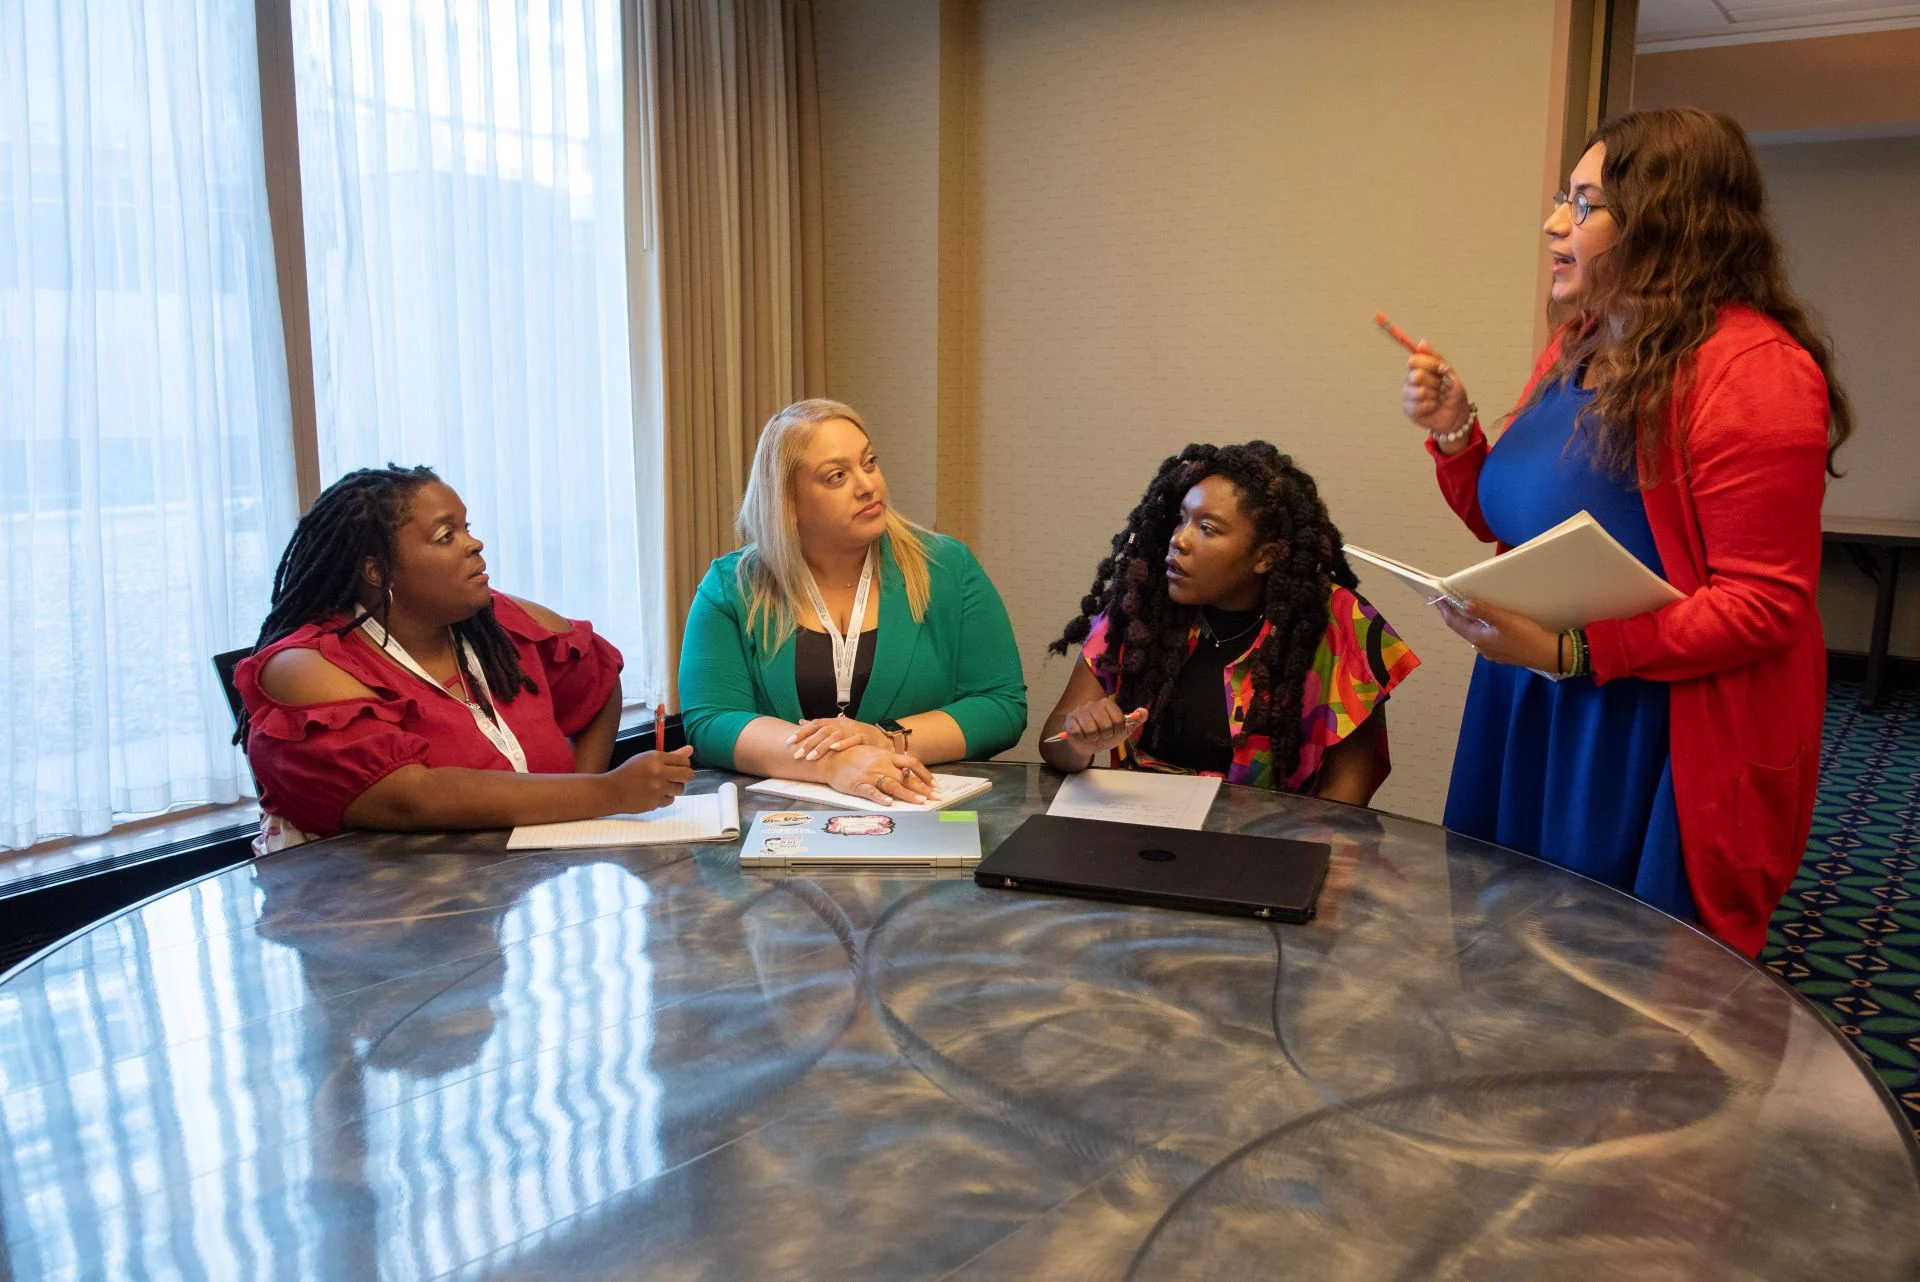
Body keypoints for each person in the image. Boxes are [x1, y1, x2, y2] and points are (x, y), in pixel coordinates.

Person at [1397, 108, 1849, 957]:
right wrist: (1459, 437)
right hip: (1531, 701)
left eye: (1584, 202)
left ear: (1666, 222)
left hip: (1650, 735)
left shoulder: (1756, 372)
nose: (1552, 221)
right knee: (1505, 967)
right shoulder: (1579, 343)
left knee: (1626, 1004)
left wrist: (1571, 653)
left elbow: (1765, 607)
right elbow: (1517, 525)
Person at [235, 465, 692, 851]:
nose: (474, 545)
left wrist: (573, 806)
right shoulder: (305, 668)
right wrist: (604, 793)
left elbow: (597, 675)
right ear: (377, 571)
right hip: (375, 925)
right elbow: (409, 795)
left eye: (467, 529)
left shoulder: (497, 626)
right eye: (445, 535)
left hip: (510, 895)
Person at [678, 399, 1027, 806]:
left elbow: (1002, 707)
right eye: (837, 476)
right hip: (783, 826)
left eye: (869, 462)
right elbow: (711, 722)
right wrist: (829, 764)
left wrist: (883, 737)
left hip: (918, 811)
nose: (867, 485)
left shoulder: (947, 567)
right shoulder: (732, 586)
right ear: (788, 503)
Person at [1039, 442, 1418, 805]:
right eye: (1181, 519)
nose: (1179, 540)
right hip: (1138, 836)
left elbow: (1347, 795)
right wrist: (1078, 740)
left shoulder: (1337, 623)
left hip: (1274, 849)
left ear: (1266, 556)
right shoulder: (1138, 608)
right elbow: (1052, 743)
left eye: (1207, 528)